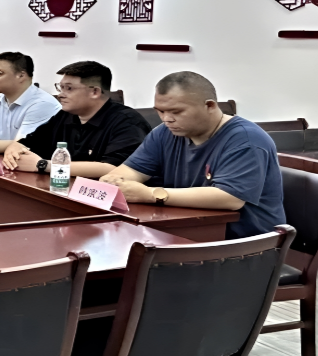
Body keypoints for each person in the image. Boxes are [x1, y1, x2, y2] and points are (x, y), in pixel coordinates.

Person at [101, 71, 285, 239]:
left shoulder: (246, 139)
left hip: (245, 243)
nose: (167, 119)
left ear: (210, 106)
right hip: (185, 230)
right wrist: (116, 182)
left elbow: (230, 198)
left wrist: (150, 194)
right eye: (161, 111)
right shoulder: (165, 133)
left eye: (176, 112)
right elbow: (130, 171)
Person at [1, 61, 151, 177]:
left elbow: (114, 168)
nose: (60, 94)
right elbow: (30, 143)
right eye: (60, 87)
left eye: (69, 88)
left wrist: (44, 165)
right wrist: (15, 148)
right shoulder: (65, 115)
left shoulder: (128, 122)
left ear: (95, 92)